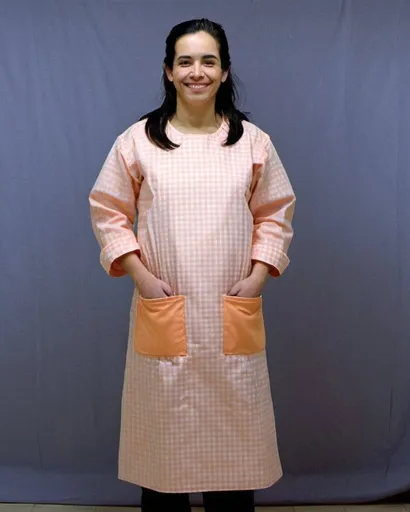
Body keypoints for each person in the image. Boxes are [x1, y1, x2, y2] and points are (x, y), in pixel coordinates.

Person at [89, 18, 296, 512]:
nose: (196, 72)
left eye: (208, 61)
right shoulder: (138, 142)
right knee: (165, 457)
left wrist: (257, 277)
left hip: (231, 309)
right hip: (166, 307)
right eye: (185, 61)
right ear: (168, 71)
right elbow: (108, 211)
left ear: (225, 72)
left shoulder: (252, 143)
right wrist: (142, 278)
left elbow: (275, 213)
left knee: (233, 459)